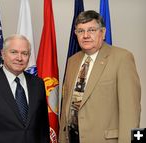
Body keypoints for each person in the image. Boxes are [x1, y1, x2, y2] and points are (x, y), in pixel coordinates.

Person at [59, 10, 141, 143]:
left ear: (102, 33)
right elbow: (67, 106)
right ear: (75, 34)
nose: (85, 35)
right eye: (80, 31)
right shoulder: (72, 61)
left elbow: (131, 112)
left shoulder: (122, 58)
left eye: (91, 30)